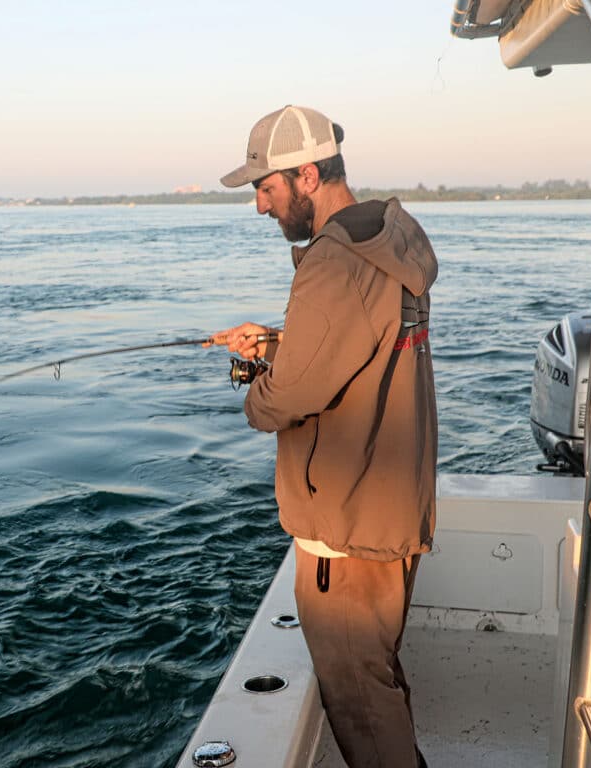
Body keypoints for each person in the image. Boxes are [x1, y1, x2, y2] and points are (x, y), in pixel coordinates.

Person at [210, 105, 438, 768]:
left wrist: (255, 376)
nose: (259, 206)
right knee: (378, 674)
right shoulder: (393, 237)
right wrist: (283, 341)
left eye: (266, 188)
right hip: (392, 506)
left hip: (344, 525)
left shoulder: (333, 264)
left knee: (362, 705)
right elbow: (358, 349)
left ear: (307, 175)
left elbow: (288, 400)